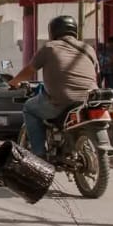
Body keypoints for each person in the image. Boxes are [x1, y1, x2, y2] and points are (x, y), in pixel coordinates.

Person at [9, 14, 99, 159]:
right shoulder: (88, 49)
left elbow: (29, 70)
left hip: (61, 101)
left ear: (53, 31)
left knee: (29, 108)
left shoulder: (49, 47)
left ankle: (39, 154)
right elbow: (95, 72)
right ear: (74, 30)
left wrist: (13, 82)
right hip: (89, 100)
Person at [98, 34, 113, 103]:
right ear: (110, 42)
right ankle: (100, 101)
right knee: (97, 86)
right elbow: (112, 60)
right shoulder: (102, 48)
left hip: (108, 71)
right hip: (103, 70)